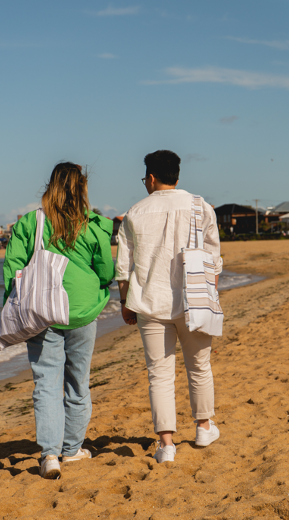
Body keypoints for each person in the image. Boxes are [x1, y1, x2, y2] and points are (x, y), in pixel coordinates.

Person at [3, 162, 114, 479]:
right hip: (81, 310)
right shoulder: (93, 225)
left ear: (50, 187)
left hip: (41, 312)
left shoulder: (30, 223)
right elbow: (105, 270)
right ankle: (71, 450)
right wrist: (95, 288)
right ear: (83, 188)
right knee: (78, 384)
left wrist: (13, 310)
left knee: (46, 384)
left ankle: (50, 455)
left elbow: (12, 270)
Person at [115, 150, 223, 463]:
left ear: (150, 178)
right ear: (177, 175)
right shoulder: (200, 206)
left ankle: (166, 444)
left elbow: (124, 266)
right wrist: (209, 295)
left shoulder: (135, 212)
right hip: (194, 301)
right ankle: (203, 427)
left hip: (149, 303)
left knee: (159, 375)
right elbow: (213, 259)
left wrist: (125, 302)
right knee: (200, 367)